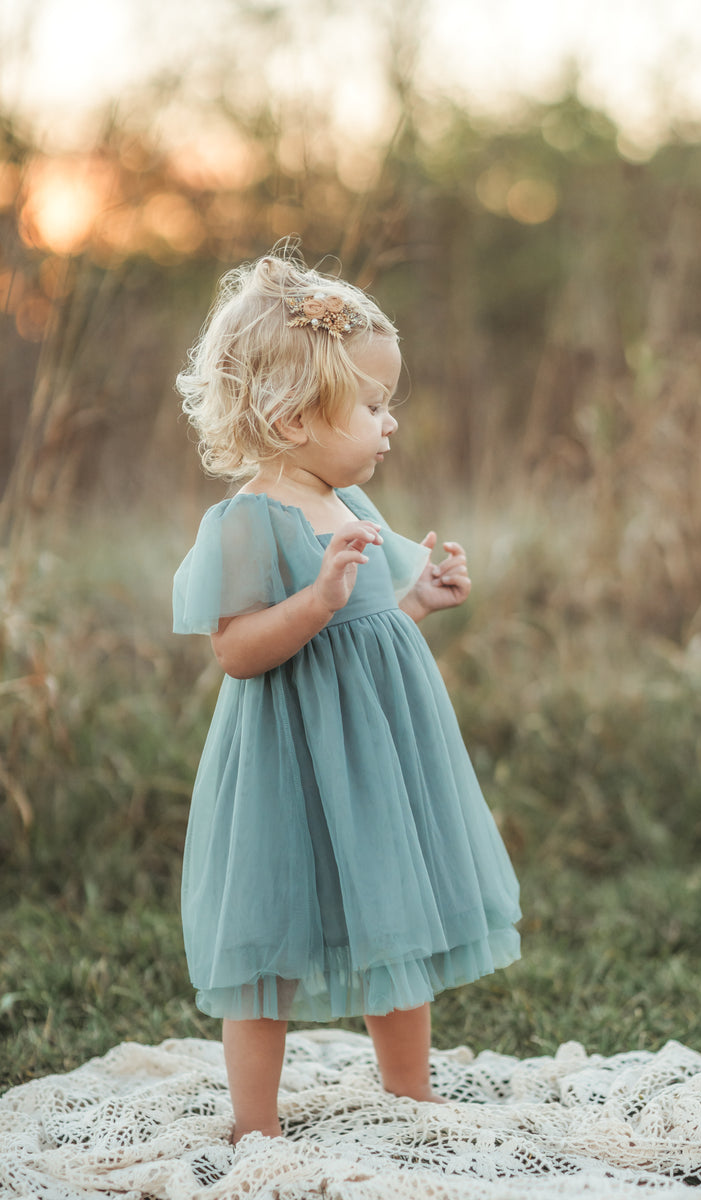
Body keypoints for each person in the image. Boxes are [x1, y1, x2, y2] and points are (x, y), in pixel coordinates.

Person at [173, 248, 521, 1144]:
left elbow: (368, 623)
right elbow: (238, 651)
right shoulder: (251, 519)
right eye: (372, 405)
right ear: (292, 419)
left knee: (393, 913)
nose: (389, 422)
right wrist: (311, 601)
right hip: (289, 768)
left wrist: (416, 600)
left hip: (375, 763)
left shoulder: (351, 502)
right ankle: (256, 1122)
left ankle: (409, 1090)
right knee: (266, 943)